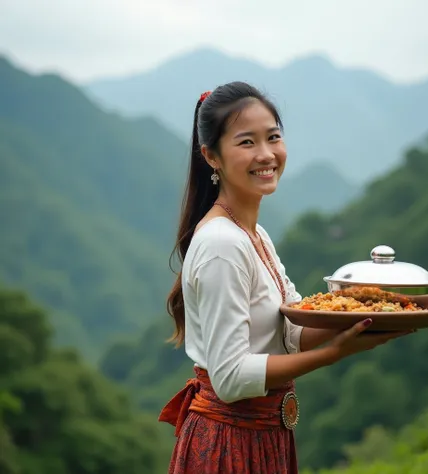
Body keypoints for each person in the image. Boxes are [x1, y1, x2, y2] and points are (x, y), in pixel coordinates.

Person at [159, 82, 410, 473]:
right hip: (228, 445)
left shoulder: (253, 234)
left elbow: (290, 331)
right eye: (246, 142)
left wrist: (363, 312)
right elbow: (229, 378)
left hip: (262, 434)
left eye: (273, 137)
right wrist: (333, 354)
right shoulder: (222, 244)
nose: (266, 154)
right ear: (212, 157)